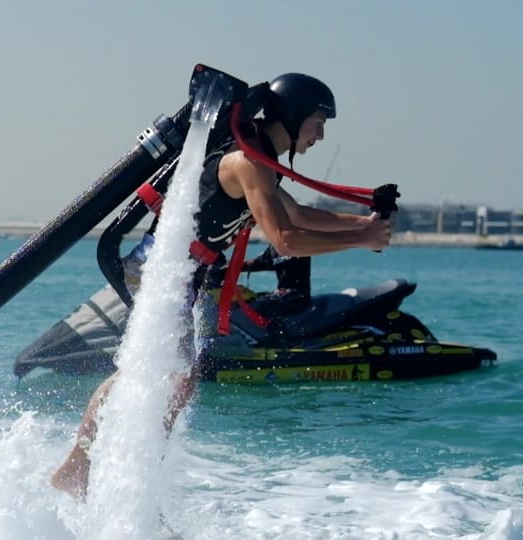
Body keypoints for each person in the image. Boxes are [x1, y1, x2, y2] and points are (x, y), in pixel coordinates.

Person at [51, 73, 392, 501]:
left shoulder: (261, 162)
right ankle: (97, 475)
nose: (321, 135)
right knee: (166, 374)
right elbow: (285, 238)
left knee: (170, 376)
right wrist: (361, 240)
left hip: (181, 274)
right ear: (293, 114)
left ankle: (109, 478)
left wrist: (364, 224)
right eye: (318, 122)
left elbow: (300, 214)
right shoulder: (245, 163)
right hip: (161, 269)